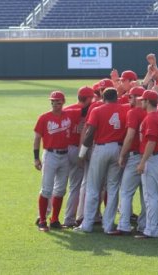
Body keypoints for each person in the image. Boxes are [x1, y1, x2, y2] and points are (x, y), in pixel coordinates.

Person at [75, 88, 127, 233]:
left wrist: (82, 154)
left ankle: (87, 225)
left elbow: (90, 133)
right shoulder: (125, 109)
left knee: (93, 187)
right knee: (112, 188)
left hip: (101, 148)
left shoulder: (97, 110)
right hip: (118, 148)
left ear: (103, 98)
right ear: (117, 97)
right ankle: (108, 225)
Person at [108, 86, 148, 235]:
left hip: (135, 156)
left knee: (125, 192)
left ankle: (124, 225)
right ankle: (144, 225)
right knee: (146, 195)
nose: (128, 99)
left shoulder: (133, 112)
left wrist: (122, 154)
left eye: (130, 97)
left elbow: (130, 136)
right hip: (149, 156)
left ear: (138, 98)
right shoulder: (152, 111)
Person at [33, 91, 72, 232]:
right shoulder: (44, 117)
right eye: (53, 101)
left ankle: (54, 219)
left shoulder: (68, 116)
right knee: (46, 189)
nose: (55, 104)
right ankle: (42, 220)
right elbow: (37, 138)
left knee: (61, 189)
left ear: (63, 102)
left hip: (65, 155)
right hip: (50, 155)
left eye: (58, 102)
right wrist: (36, 158)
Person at [134, 90, 158, 239]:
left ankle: (151, 230)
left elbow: (151, 142)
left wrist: (142, 162)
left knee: (151, 196)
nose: (141, 102)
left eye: (143, 100)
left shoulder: (151, 118)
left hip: (152, 158)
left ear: (148, 102)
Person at [61, 86, 95, 228]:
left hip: (64, 150)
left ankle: (46, 215)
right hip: (79, 150)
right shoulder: (90, 110)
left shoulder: (67, 110)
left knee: (59, 186)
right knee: (77, 186)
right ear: (87, 98)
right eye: (91, 98)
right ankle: (73, 218)